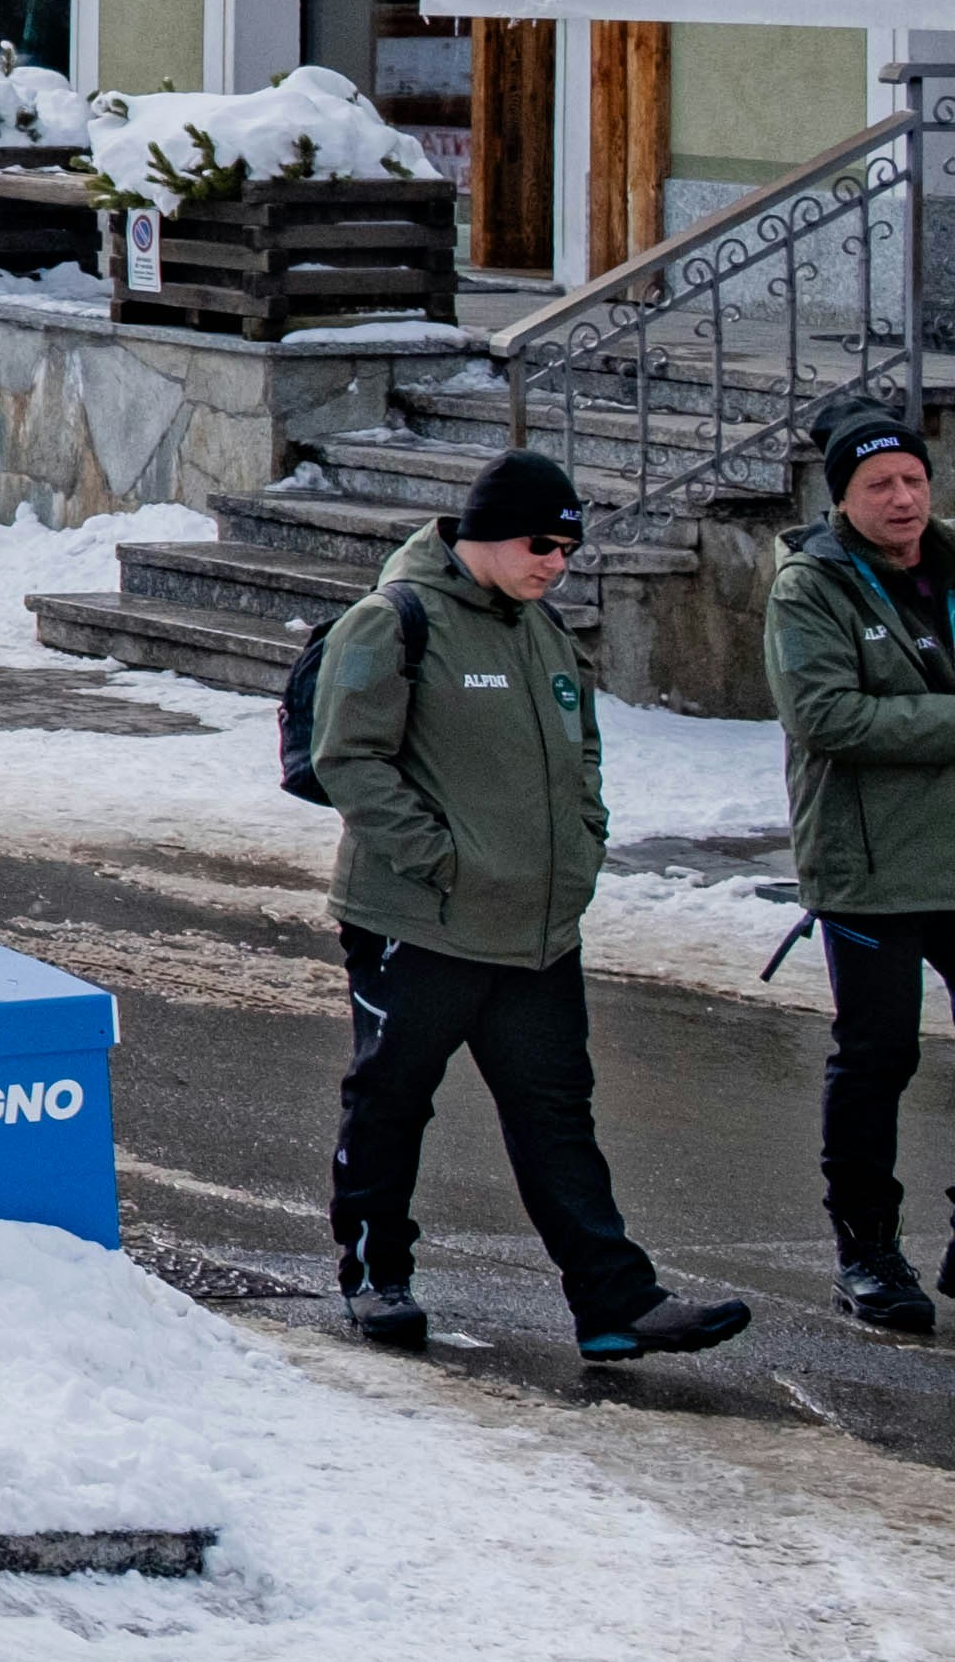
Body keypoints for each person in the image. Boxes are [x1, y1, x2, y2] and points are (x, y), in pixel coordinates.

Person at [309, 448, 756, 1364]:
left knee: (557, 1118)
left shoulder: (543, 632)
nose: (556, 563)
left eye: (569, 549)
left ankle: (614, 1303)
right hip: (422, 922)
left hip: (538, 931)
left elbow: (582, 751)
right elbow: (347, 759)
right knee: (392, 1102)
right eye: (542, 544)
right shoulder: (394, 620)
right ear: (485, 533)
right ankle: (376, 1276)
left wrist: (584, 840)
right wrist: (442, 861)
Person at [774, 413, 955, 1334]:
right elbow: (829, 717)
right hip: (869, 863)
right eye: (879, 485)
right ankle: (867, 1251)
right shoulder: (811, 587)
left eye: (913, 480)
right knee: (880, 1055)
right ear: (840, 497)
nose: (903, 498)